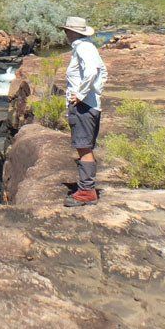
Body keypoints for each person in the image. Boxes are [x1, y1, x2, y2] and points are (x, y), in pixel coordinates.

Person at [60, 16, 108, 207]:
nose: (65, 34)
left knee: (83, 147)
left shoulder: (83, 47)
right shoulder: (87, 47)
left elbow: (93, 71)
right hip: (90, 103)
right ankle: (86, 188)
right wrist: (95, 93)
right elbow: (102, 72)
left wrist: (80, 95)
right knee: (85, 146)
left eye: (66, 31)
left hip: (84, 106)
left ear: (72, 32)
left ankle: (86, 191)